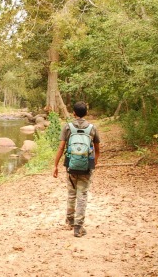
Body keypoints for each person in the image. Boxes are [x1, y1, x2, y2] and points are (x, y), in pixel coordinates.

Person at [53, 101, 101, 237]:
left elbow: (61, 148)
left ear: (73, 113)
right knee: (83, 195)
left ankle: (70, 220)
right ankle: (78, 227)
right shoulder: (92, 128)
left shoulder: (68, 127)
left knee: (71, 193)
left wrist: (55, 165)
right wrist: (93, 163)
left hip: (70, 165)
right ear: (86, 113)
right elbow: (97, 150)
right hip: (86, 166)